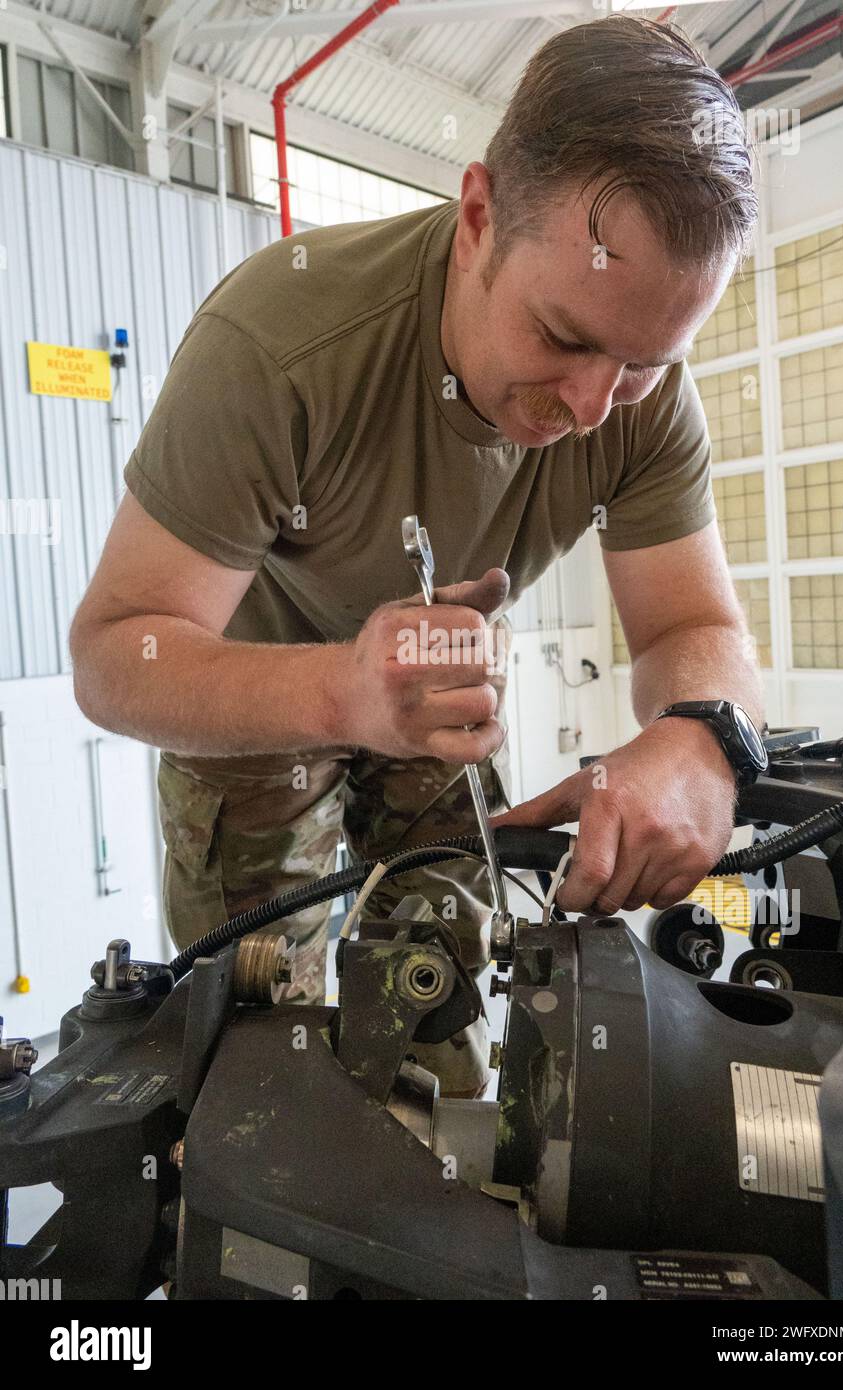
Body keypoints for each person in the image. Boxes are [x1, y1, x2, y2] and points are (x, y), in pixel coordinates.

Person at [70, 16, 764, 1098]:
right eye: (565, 340)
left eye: (639, 364)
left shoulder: (647, 401)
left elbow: (690, 630)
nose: (591, 408)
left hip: (434, 694)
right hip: (253, 707)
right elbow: (115, 655)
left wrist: (701, 735)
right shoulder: (277, 346)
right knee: (266, 1080)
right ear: (478, 216)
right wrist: (342, 690)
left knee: (442, 1029)